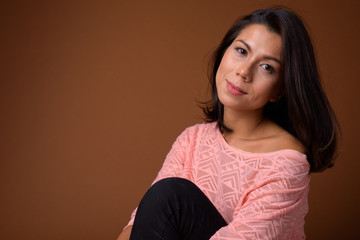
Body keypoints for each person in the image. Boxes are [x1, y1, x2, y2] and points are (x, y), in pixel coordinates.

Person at [118, 7, 341, 240]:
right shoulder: (192, 140)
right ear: (224, 52)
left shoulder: (285, 163)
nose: (244, 72)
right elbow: (142, 223)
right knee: (164, 199)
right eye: (241, 51)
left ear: (279, 90)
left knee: (169, 196)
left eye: (267, 67)